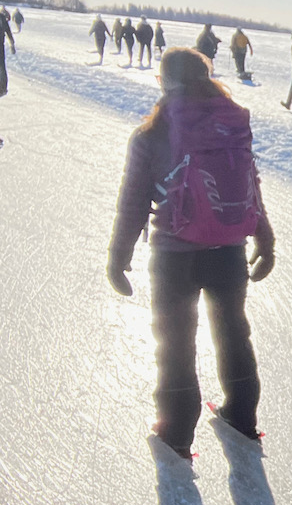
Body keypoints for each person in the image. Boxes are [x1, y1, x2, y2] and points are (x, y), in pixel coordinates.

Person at [106, 47, 275, 461]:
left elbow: (133, 201)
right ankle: (241, 415)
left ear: (164, 82)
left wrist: (118, 256)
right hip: (228, 251)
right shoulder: (231, 124)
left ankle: (176, 432)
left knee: (175, 342)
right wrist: (265, 238)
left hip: (175, 255)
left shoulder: (151, 134)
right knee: (234, 330)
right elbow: (250, 183)